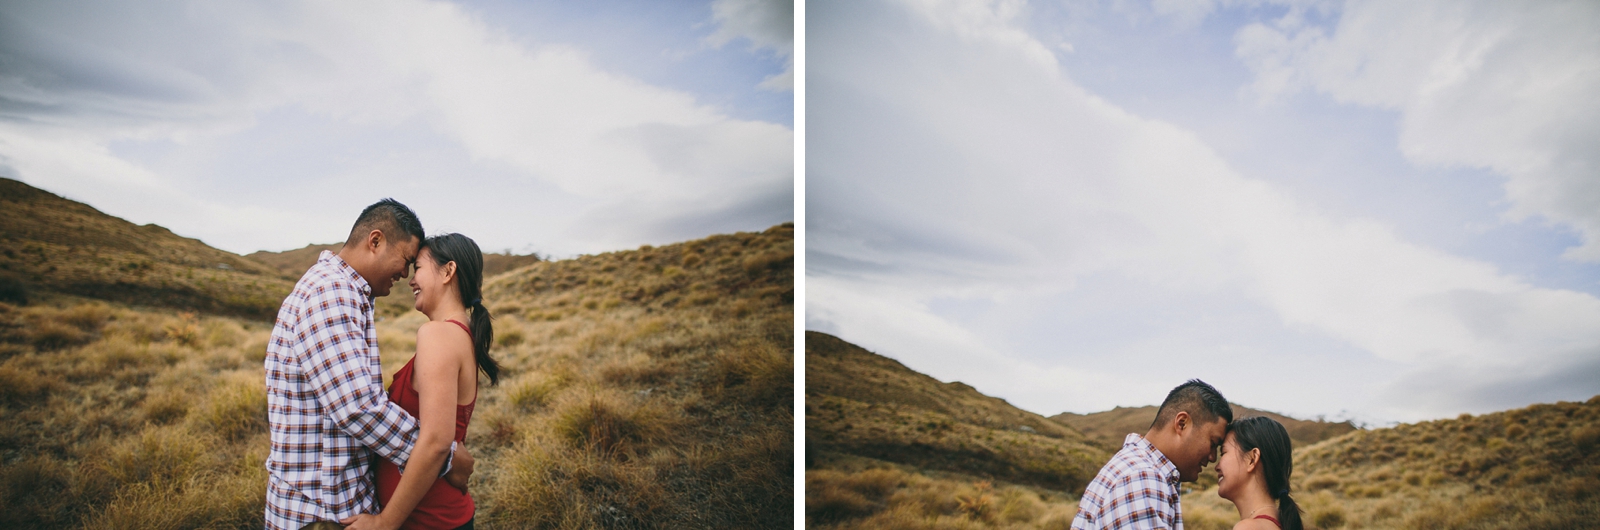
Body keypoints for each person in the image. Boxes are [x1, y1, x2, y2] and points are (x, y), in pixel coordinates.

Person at [264, 199, 473, 530]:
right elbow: (358, 406)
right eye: (406, 261)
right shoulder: (330, 291)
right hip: (320, 512)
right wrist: (446, 456)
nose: (405, 275)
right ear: (375, 241)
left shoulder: (346, 293)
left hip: (336, 505)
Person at [343, 233, 502, 530]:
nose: (410, 279)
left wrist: (384, 523)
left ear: (448, 271)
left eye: (418, 269)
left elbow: (437, 443)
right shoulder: (459, 334)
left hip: (430, 520)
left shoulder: (438, 334)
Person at [1071, 379, 1233, 529]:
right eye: (1212, 443)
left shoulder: (1135, 468)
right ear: (1182, 424)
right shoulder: (1142, 477)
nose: (1212, 457)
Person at [1214, 417, 1302, 530]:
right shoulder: (1281, 523)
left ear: (1252, 459)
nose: (1216, 466)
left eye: (1223, 453)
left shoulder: (1249, 528)